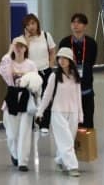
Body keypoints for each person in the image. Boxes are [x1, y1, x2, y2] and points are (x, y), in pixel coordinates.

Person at [36, 47, 83, 177]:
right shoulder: (54, 76)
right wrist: (40, 112)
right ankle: (73, 166)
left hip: (72, 112)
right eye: (60, 58)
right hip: (57, 112)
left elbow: (78, 96)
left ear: (70, 60)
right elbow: (47, 95)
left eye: (65, 58)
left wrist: (80, 114)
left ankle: (59, 161)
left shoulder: (75, 76)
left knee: (68, 139)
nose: (62, 61)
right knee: (66, 140)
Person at [0, 37, 39, 172]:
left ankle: (23, 161)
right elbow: (3, 72)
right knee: (12, 134)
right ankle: (15, 154)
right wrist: (10, 51)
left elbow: (36, 82)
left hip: (26, 99)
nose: (19, 48)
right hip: (11, 98)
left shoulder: (31, 64)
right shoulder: (8, 62)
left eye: (22, 46)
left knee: (25, 132)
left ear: (26, 48)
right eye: (17, 46)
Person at [58, 13, 98, 128]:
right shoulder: (65, 42)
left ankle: (86, 145)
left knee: (88, 118)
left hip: (86, 87)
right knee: (71, 121)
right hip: (69, 88)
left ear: (85, 26)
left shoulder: (91, 43)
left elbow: (91, 62)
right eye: (73, 22)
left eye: (79, 22)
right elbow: (61, 63)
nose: (75, 25)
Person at [21, 13, 56, 134]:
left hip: (45, 70)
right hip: (31, 73)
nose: (31, 26)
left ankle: (44, 124)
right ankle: (30, 123)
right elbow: (22, 55)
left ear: (37, 23)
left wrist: (51, 64)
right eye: (28, 24)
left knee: (47, 97)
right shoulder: (23, 39)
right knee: (30, 98)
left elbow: (52, 51)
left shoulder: (46, 35)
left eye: (33, 23)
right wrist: (27, 40)